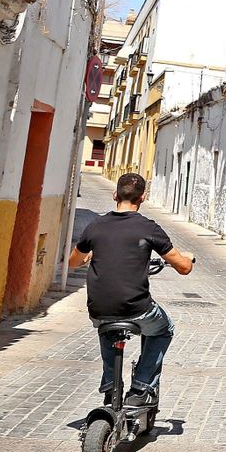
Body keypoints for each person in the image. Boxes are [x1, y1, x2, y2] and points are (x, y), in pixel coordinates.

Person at [68, 173, 196, 406]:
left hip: (97, 308)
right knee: (163, 328)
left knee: (107, 325)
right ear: (143, 198)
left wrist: (90, 255)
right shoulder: (148, 228)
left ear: (115, 195)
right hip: (136, 308)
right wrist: (187, 257)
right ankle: (141, 387)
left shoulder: (94, 226)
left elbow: (73, 262)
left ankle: (110, 386)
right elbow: (184, 268)